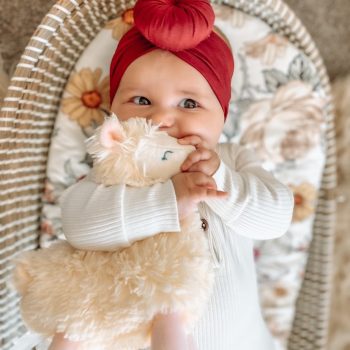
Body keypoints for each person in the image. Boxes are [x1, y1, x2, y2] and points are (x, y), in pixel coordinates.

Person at [49, 0, 293, 349]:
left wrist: (221, 178)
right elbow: (78, 225)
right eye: (141, 101)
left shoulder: (233, 159)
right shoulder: (115, 170)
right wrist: (168, 201)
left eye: (189, 104)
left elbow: (277, 217)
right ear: (112, 110)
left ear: (222, 115)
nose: (161, 118)